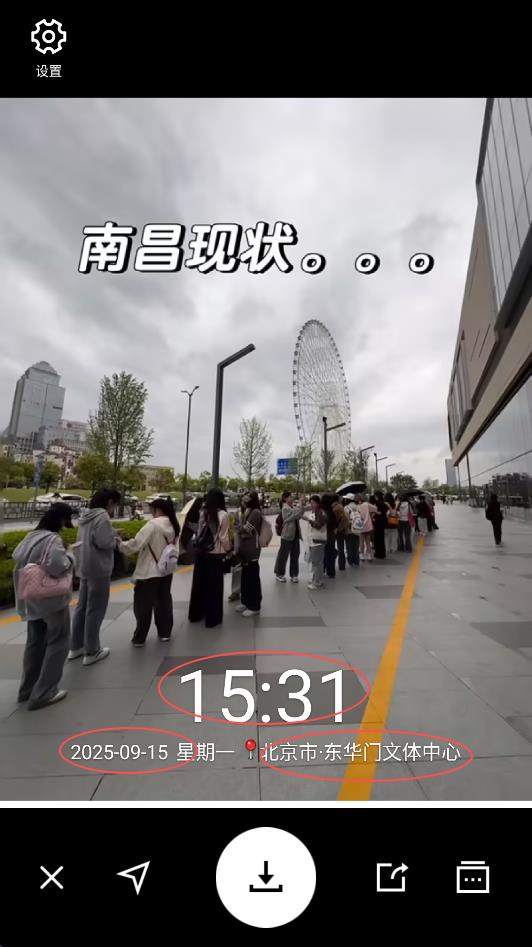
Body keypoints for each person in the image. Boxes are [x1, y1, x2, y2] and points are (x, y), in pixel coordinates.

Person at [12, 502, 75, 710]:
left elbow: (17, 557)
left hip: (31, 599)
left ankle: (27, 690)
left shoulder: (30, 536)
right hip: (51, 599)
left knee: (35, 642)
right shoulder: (52, 539)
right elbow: (58, 566)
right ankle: (45, 692)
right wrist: (70, 556)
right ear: (62, 520)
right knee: (59, 640)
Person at [69, 488, 121, 665]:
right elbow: (103, 542)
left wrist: (111, 532)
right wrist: (115, 538)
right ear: (110, 502)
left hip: (84, 566)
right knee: (96, 609)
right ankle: (92, 650)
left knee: (82, 607)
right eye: (115, 505)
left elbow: (92, 537)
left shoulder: (87, 516)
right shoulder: (102, 516)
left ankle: (76, 646)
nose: (114, 509)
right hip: (98, 568)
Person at [120, 498, 180, 645]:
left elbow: (136, 544)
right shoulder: (174, 524)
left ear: (157, 509)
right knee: (164, 602)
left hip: (149, 572)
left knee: (143, 606)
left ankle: (140, 638)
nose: (151, 512)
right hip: (166, 570)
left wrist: (120, 545)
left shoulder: (153, 525)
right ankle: (165, 633)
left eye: (152, 509)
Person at [188, 489, 231, 628]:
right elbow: (223, 537)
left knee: (199, 584)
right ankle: (212, 618)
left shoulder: (203, 512)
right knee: (214, 587)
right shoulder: (223, 514)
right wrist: (229, 549)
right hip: (215, 554)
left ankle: (196, 614)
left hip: (201, 553)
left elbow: (199, 532)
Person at [236, 490, 263, 616]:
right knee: (245, 576)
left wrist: (237, 528)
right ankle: (245, 601)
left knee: (252, 577)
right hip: (244, 549)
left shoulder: (255, 512)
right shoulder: (246, 511)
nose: (244, 498)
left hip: (252, 549)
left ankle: (254, 606)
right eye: (244, 496)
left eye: (247, 496)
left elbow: (247, 529)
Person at [274, 491, 304, 583]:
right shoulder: (285, 508)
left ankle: (294, 575)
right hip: (287, 535)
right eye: (290, 496)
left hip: (295, 535)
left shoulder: (292, 507)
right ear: (285, 498)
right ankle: (279, 574)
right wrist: (300, 504)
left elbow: (299, 514)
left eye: (292, 496)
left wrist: (301, 506)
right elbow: (294, 515)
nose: (292, 498)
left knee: (295, 555)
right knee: (283, 556)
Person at [301, 495, 327, 589]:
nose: (311, 505)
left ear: (318, 503)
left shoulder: (321, 513)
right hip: (313, 540)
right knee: (316, 562)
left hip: (318, 541)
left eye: (313, 503)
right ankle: (316, 579)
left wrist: (309, 520)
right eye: (310, 503)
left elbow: (319, 525)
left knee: (317, 563)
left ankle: (317, 582)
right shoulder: (316, 512)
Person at [228, 497, 245, 603]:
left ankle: (244, 591)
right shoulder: (236, 513)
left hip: (248, 545)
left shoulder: (254, 512)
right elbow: (234, 528)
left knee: (247, 569)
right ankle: (235, 592)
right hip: (237, 543)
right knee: (237, 568)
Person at [342, 494, 361, 567]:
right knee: (356, 545)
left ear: (347, 500)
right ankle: (356, 560)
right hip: (357, 528)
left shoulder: (346, 508)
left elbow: (345, 519)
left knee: (349, 545)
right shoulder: (358, 507)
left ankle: (350, 560)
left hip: (349, 529)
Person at [356, 494, 376, 561]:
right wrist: (371, 513)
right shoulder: (367, 504)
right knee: (368, 541)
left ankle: (362, 555)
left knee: (361, 541)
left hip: (360, 525)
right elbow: (374, 508)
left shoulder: (357, 507)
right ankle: (369, 555)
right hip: (368, 525)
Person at [332, 495, 350, 570]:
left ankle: (335, 563)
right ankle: (342, 565)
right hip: (340, 529)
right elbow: (343, 519)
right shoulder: (340, 506)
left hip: (335, 530)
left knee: (332, 546)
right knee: (341, 548)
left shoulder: (333, 507)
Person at [372, 491, 388, 559]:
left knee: (377, 538)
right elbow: (385, 512)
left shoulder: (377, 503)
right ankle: (382, 553)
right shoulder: (384, 503)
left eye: (375, 496)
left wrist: (375, 512)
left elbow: (378, 513)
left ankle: (378, 553)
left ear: (377, 496)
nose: (375, 497)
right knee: (381, 538)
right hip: (382, 523)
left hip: (377, 522)